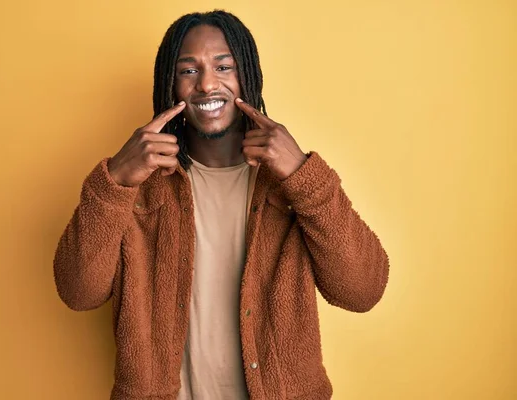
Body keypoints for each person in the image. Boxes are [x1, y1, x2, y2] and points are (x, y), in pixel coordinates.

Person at [53, 10, 389, 400]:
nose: (208, 84)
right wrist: (115, 182)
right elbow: (78, 292)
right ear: (170, 85)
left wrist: (303, 174)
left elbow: (363, 291)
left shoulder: (288, 187)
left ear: (248, 77)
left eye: (223, 66)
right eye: (189, 71)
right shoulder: (140, 189)